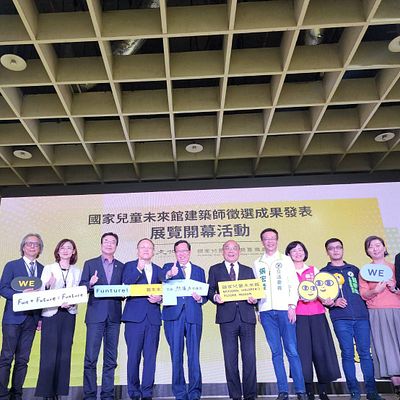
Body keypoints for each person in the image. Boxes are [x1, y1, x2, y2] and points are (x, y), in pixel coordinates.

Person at [320, 237, 383, 400]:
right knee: (347, 354)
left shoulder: (354, 269)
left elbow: (364, 291)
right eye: (332, 248)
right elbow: (322, 297)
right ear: (327, 252)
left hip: (362, 317)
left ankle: (372, 392)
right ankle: (354, 391)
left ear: (342, 249)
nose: (336, 250)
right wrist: (333, 302)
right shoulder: (324, 273)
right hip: (340, 318)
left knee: (365, 354)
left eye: (338, 247)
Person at [253, 228, 306, 400]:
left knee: (292, 351)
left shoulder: (286, 260)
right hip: (266, 312)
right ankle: (283, 391)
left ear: (277, 240)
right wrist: (258, 310)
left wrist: (292, 306)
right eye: (266, 239)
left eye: (273, 238)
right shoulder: (257, 263)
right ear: (262, 242)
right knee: (276, 353)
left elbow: (293, 284)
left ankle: (300, 390)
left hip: (285, 310)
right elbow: (256, 288)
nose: (270, 241)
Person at [285, 241, 340, 400]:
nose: (298, 253)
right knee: (302, 354)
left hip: (317, 314)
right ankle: (307, 391)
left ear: (305, 252)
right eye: (294, 251)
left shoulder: (314, 270)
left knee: (321, 352)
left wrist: (327, 299)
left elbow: (323, 290)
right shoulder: (286, 273)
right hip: (298, 316)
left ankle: (323, 391)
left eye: (300, 250)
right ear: (288, 254)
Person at [208, 240, 257, 400]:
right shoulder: (215, 269)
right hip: (227, 319)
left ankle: (250, 395)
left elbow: (255, 292)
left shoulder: (248, 270)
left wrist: (254, 299)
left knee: (249, 358)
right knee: (230, 359)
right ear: (223, 251)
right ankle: (235, 395)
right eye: (227, 248)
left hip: (247, 317)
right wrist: (215, 297)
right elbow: (210, 290)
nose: (231, 251)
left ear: (239, 251)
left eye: (234, 248)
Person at [80, 232, 125, 400]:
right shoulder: (90, 264)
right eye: (106, 241)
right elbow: (82, 286)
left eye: (112, 242)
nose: (109, 244)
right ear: (101, 244)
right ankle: (90, 395)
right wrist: (90, 283)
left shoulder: (122, 266)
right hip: (95, 316)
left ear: (116, 246)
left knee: (111, 359)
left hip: (114, 317)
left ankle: (108, 395)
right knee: (91, 358)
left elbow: (124, 289)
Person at [35, 238, 81, 399]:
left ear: (73, 252)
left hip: (68, 315)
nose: (65, 250)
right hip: (51, 314)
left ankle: (59, 392)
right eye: (62, 247)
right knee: (48, 354)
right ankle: (46, 393)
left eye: (69, 248)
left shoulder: (77, 271)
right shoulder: (49, 268)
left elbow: (78, 293)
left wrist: (71, 303)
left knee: (64, 354)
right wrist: (48, 285)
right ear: (58, 251)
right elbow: (40, 293)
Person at [0, 233, 45, 400]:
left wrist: (40, 318)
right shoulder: (12, 265)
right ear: (23, 247)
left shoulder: (43, 269)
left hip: (32, 320)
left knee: (23, 360)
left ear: (40, 249)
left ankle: (17, 394)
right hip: (13, 318)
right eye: (29, 243)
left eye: (36, 244)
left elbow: (44, 296)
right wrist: (21, 295)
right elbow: (3, 288)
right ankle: (2, 394)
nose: (32, 246)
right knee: (6, 357)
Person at [162, 240, 207, 400]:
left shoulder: (199, 271)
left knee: (194, 355)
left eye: (184, 251)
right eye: (178, 251)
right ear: (175, 253)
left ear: (190, 252)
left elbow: (205, 294)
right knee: (176, 355)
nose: (181, 254)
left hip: (193, 315)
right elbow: (160, 282)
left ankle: (195, 392)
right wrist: (169, 274)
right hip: (173, 316)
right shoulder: (168, 268)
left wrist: (200, 298)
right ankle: (180, 393)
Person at [358, 236, 400, 399]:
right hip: (377, 311)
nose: (375, 249)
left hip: (397, 309)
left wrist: (395, 288)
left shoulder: (395, 267)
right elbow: (363, 294)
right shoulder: (365, 271)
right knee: (386, 348)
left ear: (384, 247)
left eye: (378, 245)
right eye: (371, 246)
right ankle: (397, 386)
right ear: (367, 251)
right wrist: (375, 290)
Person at [122, 238, 164, 400]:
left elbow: (165, 291)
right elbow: (126, 284)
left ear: (153, 251)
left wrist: (159, 299)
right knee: (133, 356)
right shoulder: (129, 266)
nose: (146, 250)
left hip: (153, 319)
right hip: (134, 319)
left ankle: (147, 392)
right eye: (143, 247)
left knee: (150, 357)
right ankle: (133, 392)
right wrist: (139, 269)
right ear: (137, 250)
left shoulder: (159, 270)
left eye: (149, 247)